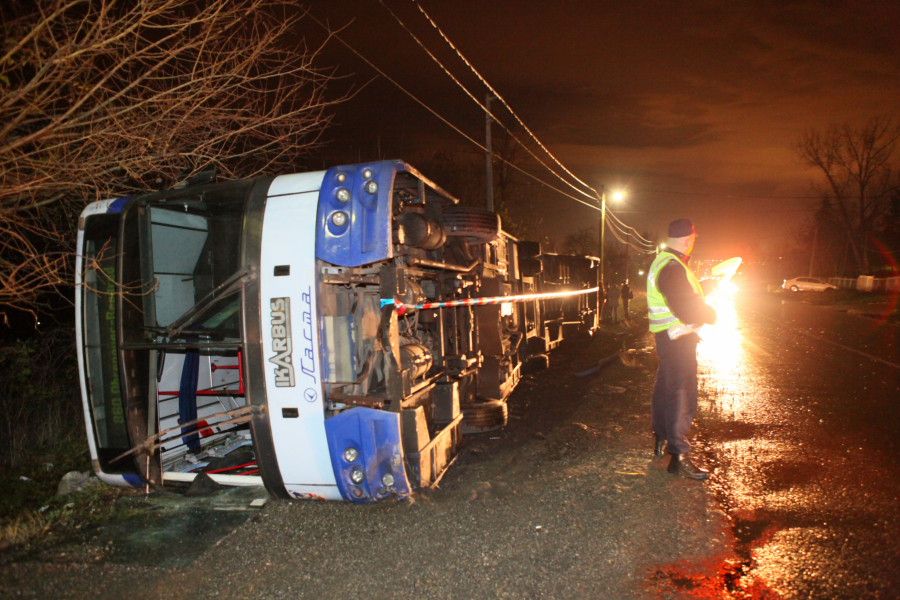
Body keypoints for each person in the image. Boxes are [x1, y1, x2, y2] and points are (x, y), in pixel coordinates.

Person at [647, 218, 717, 479]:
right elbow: (685, 305)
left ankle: (661, 438)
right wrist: (709, 314)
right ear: (689, 239)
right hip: (678, 339)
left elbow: (681, 294)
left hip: (668, 338)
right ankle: (678, 455)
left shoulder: (665, 262)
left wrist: (705, 287)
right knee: (682, 393)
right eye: (694, 238)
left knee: (665, 388)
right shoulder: (673, 267)